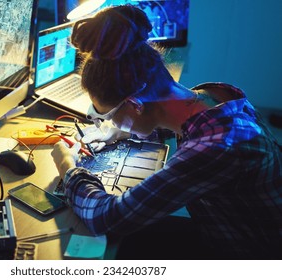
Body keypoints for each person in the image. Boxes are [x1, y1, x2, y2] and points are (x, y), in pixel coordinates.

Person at [51, 5, 282, 259]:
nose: (109, 122)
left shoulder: (218, 147)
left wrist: (68, 167)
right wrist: (118, 132)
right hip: (224, 227)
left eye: (108, 116)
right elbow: (180, 127)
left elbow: (108, 217)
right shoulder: (212, 97)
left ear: (135, 105)